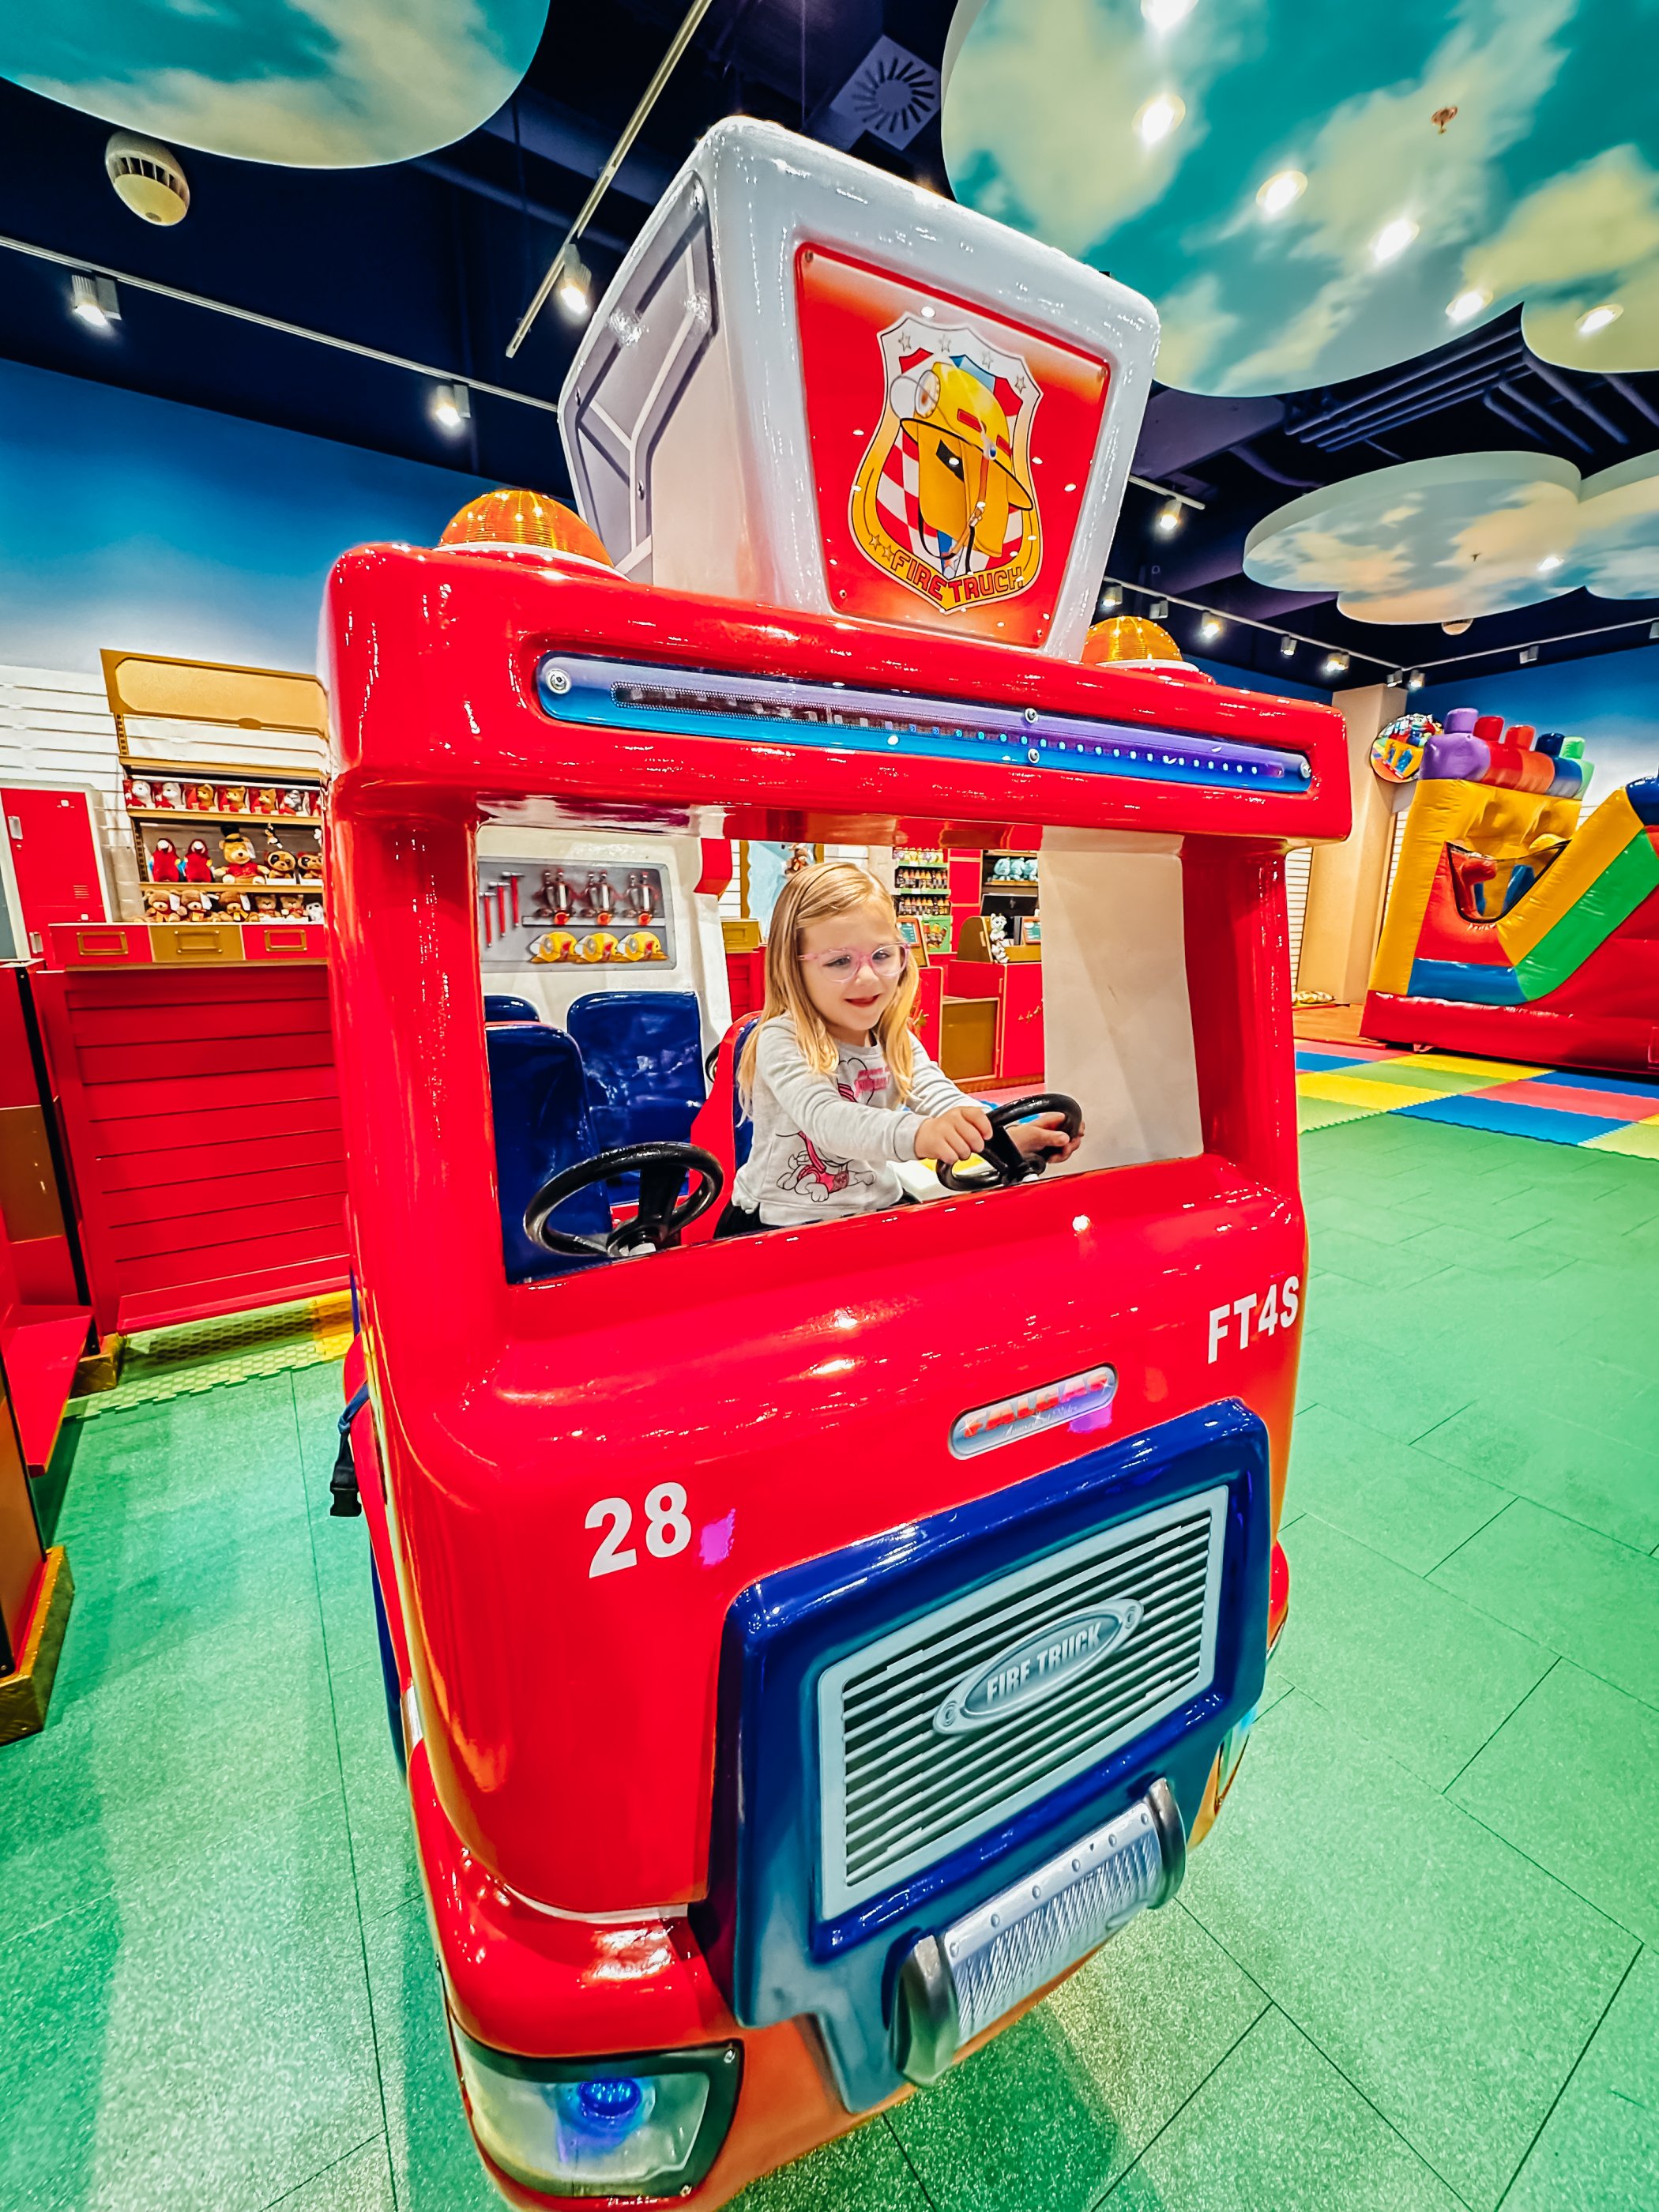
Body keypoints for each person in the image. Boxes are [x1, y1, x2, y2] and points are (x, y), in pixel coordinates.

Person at [718, 860, 1081, 1236]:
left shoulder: (894, 1037)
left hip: (876, 1208)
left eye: (882, 955)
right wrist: (922, 1134)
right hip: (781, 1223)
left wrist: (1003, 1137)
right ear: (793, 968)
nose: (867, 977)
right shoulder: (783, 1038)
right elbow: (828, 1120)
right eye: (839, 961)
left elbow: (942, 1098)